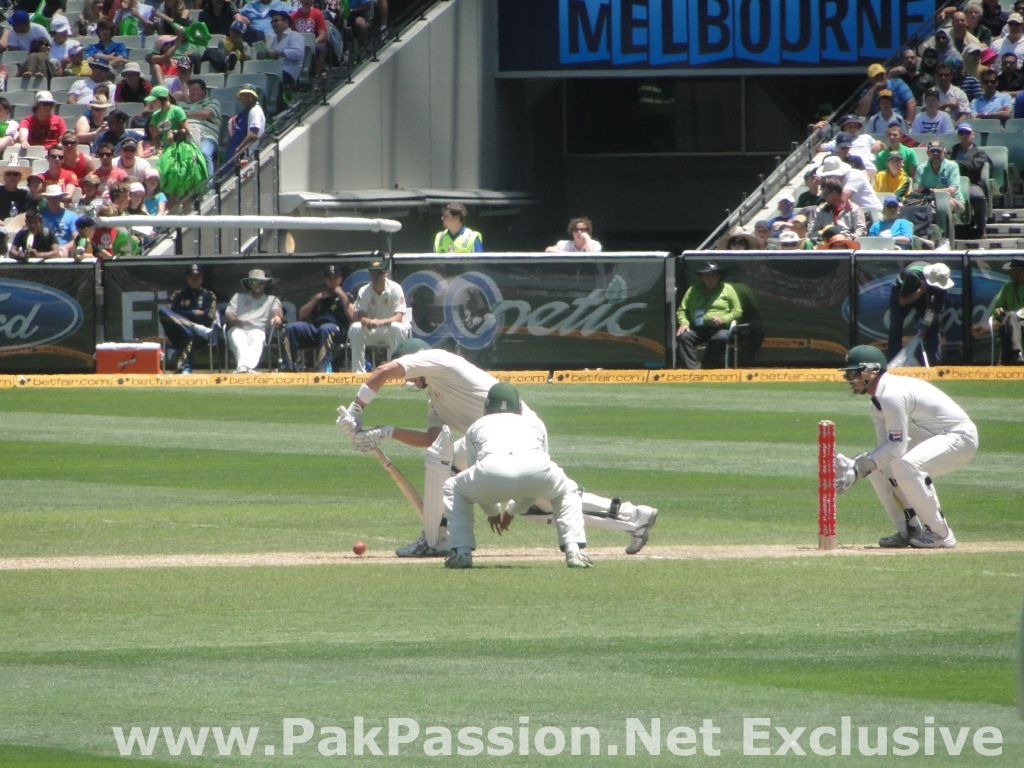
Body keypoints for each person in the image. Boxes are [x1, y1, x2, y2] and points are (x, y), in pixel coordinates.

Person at [336, 339, 658, 557]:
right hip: (493, 438)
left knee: (545, 500)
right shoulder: (435, 395)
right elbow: (435, 440)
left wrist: (357, 410)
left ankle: (632, 515)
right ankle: (437, 537)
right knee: (446, 461)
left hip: (519, 428)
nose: (409, 380)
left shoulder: (437, 360)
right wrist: (386, 432)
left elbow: (382, 372)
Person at [835, 345, 978, 549]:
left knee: (905, 465)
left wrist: (858, 469)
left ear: (870, 371)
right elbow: (885, 451)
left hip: (960, 436)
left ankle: (940, 533)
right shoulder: (877, 404)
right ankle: (908, 530)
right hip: (935, 437)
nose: (849, 379)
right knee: (879, 467)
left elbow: (896, 448)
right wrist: (857, 466)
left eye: (853, 373)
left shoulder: (891, 394)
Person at [441, 383, 592, 570]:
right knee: (567, 489)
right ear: (519, 406)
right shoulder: (535, 423)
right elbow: (534, 477)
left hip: (492, 471)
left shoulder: (475, 426)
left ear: (486, 406)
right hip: (536, 468)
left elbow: (477, 475)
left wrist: (493, 513)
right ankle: (574, 549)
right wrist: (511, 511)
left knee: (453, 487)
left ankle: (461, 552)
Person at [280, 264, 355, 373]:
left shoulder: (347, 296)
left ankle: (321, 369)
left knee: (326, 329)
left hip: (336, 331)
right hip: (315, 328)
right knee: (290, 328)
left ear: (341, 279)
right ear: (325, 279)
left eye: (335, 278)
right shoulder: (319, 295)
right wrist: (317, 298)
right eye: (329, 278)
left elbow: (353, 316)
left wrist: (342, 295)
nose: (332, 280)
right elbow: (301, 315)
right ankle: (288, 367)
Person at [347, 257, 411, 373]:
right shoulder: (364, 291)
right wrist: (368, 322)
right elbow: (361, 316)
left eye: (379, 273)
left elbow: (399, 317)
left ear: (386, 273)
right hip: (372, 330)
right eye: (373, 273)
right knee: (355, 328)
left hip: (390, 331)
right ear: (369, 274)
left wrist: (381, 322)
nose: (376, 276)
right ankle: (358, 373)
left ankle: (395, 371)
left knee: (397, 327)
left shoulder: (395, 288)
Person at [675, 261, 742, 370]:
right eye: (707, 275)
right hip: (697, 328)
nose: (711, 278)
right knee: (683, 336)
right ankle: (693, 369)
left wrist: (723, 319)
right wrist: (684, 323)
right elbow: (682, 310)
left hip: (719, 328)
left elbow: (737, 311)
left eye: (714, 275)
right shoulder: (693, 290)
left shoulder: (728, 289)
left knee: (721, 337)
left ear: (719, 276)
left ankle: (707, 368)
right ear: (702, 277)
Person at [888, 261, 953, 364]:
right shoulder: (912, 275)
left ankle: (934, 363)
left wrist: (926, 324)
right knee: (895, 325)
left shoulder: (942, 285)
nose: (938, 288)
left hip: (922, 295)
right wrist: (921, 290)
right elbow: (902, 302)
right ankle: (893, 362)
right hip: (902, 293)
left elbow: (934, 308)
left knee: (933, 326)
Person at [159, 262, 218, 374]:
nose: (194, 279)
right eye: (192, 276)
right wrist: (194, 313)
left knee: (188, 334)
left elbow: (208, 317)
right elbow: (170, 314)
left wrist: (182, 313)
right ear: (187, 278)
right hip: (177, 332)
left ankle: (185, 367)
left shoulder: (209, 295)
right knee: (162, 311)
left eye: (198, 276)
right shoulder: (178, 295)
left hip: (200, 336)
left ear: (202, 278)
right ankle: (194, 327)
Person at [224, 268, 283, 373]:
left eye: (261, 282)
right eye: (254, 281)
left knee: (257, 337)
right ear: (250, 284)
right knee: (238, 339)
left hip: (258, 328)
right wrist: (238, 323)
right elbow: (229, 314)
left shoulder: (272, 299)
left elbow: (277, 311)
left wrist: (277, 317)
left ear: (265, 284)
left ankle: (243, 368)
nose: (258, 284)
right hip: (238, 327)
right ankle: (246, 368)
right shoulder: (238, 297)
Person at [948, 123, 991, 238]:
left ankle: (982, 227)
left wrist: (956, 164)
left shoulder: (979, 153)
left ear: (972, 135)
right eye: (961, 133)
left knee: (977, 197)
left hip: (971, 183)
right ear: (958, 135)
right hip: (953, 183)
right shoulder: (954, 149)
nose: (964, 135)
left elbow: (974, 167)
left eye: (967, 133)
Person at [982, 256, 1024, 363]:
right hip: (1010, 322)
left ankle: (1013, 355)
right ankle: (1017, 354)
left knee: (1010, 318)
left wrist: (1015, 315)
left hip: (1020, 321)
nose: (1011, 273)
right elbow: (995, 309)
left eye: (1014, 271)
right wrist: (998, 311)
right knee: (1009, 318)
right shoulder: (1007, 287)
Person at [916, 139, 967, 215]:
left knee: (944, 204)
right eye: (932, 151)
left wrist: (930, 191)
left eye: (939, 151)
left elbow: (952, 191)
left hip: (954, 201)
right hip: (928, 201)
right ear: (928, 153)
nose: (935, 154)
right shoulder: (921, 169)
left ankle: (944, 226)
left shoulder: (952, 166)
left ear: (944, 152)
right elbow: (919, 191)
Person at [184, 79, 221, 177]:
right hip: (185, 136)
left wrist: (184, 115)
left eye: (194, 90)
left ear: (204, 92)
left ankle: (208, 188)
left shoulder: (213, 102)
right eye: (190, 90)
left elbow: (206, 114)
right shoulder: (183, 105)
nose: (191, 93)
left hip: (206, 136)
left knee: (204, 153)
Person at [224, 85, 265, 165]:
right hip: (235, 155)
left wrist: (238, 149)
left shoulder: (255, 110)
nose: (245, 98)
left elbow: (253, 134)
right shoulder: (245, 111)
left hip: (245, 156)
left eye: (249, 95)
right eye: (243, 95)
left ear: (254, 97)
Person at [39, 184, 79, 257]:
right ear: (46, 199)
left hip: (62, 251)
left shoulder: (72, 216)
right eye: (50, 198)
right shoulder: (40, 215)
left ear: (60, 198)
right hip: (43, 251)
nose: (53, 200)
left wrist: (66, 247)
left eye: (56, 197)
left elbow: (77, 239)